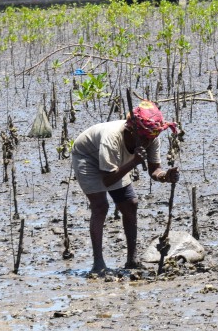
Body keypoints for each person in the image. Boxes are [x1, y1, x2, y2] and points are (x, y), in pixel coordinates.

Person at [71, 101, 180, 274]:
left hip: (115, 161)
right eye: (143, 138)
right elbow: (107, 180)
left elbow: (154, 170)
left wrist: (166, 176)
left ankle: (132, 259)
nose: (147, 141)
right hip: (87, 156)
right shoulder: (112, 139)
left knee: (130, 203)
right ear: (132, 131)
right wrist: (134, 162)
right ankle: (98, 264)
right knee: (100, 206)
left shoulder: (151, 137)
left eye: (150, 138)